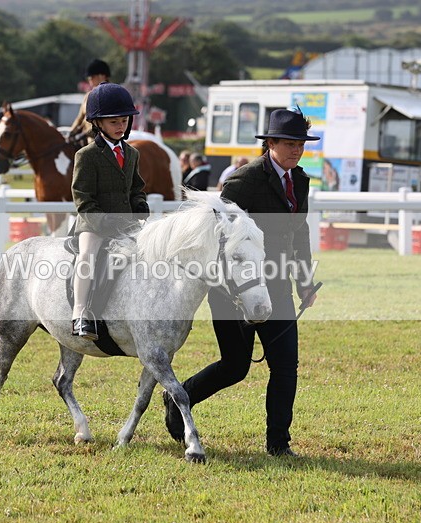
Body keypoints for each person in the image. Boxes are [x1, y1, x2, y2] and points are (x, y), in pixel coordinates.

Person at [163, 108, 319, 458]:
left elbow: (301, 232)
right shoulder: (243, 181)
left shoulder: (302, 181)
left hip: (277, 288)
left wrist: (304, 282)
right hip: (235, 291)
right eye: (290, 143)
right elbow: (217, 232)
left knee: (285, 366)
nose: (297, 150)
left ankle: (278, 444)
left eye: (301, 144)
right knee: (234, 367)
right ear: (271, 143)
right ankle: (177, 396)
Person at [71, 82, 149, 339]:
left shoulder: (132, 153)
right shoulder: (87, 155)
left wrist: (140, 208)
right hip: (94, 224)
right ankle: (80, 314)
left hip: (126, 224)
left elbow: (136, 189)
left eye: (124, 121)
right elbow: (82, 198)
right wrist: (104, 222)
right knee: (88, 257)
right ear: (98, 124)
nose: (121, 126)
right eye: (114, 122)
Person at [68, 58, 112, 147]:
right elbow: (79, 118)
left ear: (102, 76)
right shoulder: (88, 96)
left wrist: (85, 133)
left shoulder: (110, 95)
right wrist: (70, 133)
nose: (89, 79)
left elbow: (105, 122)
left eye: (92, 77)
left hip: (103, 142)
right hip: (86, 140)